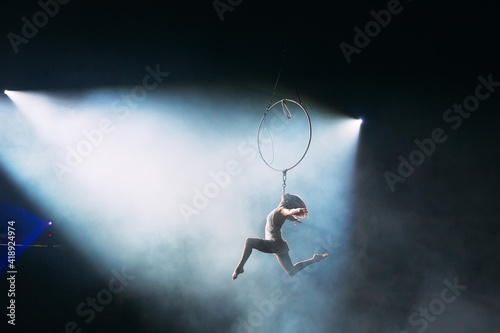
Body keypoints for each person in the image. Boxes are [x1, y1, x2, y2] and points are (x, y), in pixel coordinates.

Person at [232, 193, 329, 280]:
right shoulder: (279, 209)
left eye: (292, 206)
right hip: (278, 244)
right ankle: (314, 259)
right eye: (291, 204)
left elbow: (287, 212)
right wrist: (294, 219)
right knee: (291, 271)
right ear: (286, 201)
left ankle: (240, 267)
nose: (291, 207)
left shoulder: (282, 210)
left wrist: (297, 210)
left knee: (249, 242)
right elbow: (288, 215)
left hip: (273, 243)